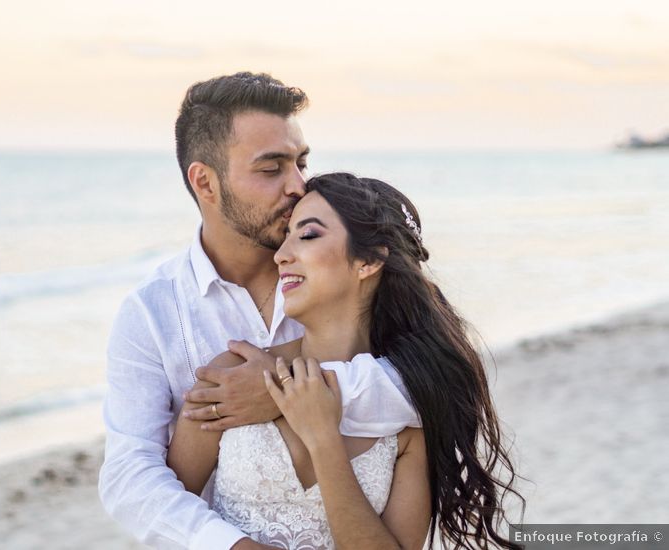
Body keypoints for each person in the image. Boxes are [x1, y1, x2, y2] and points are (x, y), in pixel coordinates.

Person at [99, 73, 419, 550]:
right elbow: (130, 476)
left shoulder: (333, 278)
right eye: (272, 169)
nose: (297, 186)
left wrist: (285, 390)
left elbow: (439, 378)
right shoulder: (153, 312)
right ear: (205, 182)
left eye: (301, 163)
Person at [167, 173, 522, 549]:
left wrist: (324, 440)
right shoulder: (233, 376)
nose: (281, 255)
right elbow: (167, 519)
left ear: (369, 259)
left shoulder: (407, 418)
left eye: (307, 235)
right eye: (285, 236)